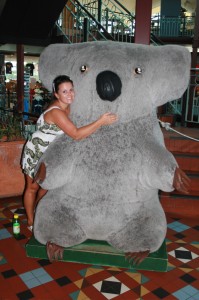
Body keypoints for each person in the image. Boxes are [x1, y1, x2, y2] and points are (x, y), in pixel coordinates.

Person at [21, 75, 118, 231]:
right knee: (32, 188)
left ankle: (39, 213)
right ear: (56, 94)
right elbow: (76, 134)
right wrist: (101, 121)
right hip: (37, 150)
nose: (69, 94)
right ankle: (31, 222)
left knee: (46, 187)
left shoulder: (69, 106)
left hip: (51, 153)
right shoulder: (57, 112)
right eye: (64, 92)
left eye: (71, 90)